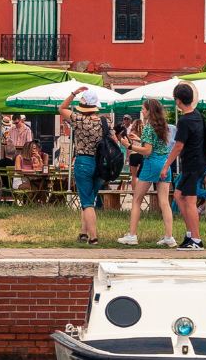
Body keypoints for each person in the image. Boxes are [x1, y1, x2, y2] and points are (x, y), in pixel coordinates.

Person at [117, 97, 179, 248]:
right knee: (164, 202)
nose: (142, 111)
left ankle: (132, 235)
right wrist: (140, 140)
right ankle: (169, 236)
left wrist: (129, 145)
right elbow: (157, 145)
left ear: (149, 111)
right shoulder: (163, 126)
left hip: (152, 163)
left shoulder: (148, 127)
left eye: (144, 109)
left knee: (137, 199)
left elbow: (147, 150)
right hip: (165, 164)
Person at [163, 81, 206, 250]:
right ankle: (190, 234)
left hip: (192, 163)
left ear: (178, 101)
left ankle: (196, 240)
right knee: (178, 195)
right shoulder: (197, 115)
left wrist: (165, 166)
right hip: (197, 163)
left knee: (189, 201)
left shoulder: (184, 121)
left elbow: (178, 146)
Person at [60, 85, 106, 245]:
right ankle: (83, 233)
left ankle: (93, 237)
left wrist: (73, 93)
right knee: (90, 199)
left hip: (83, 162)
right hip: (100, 164)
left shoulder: (78, 120)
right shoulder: (104, 122)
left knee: (86, 202)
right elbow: (113, 139)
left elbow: (62, 108)